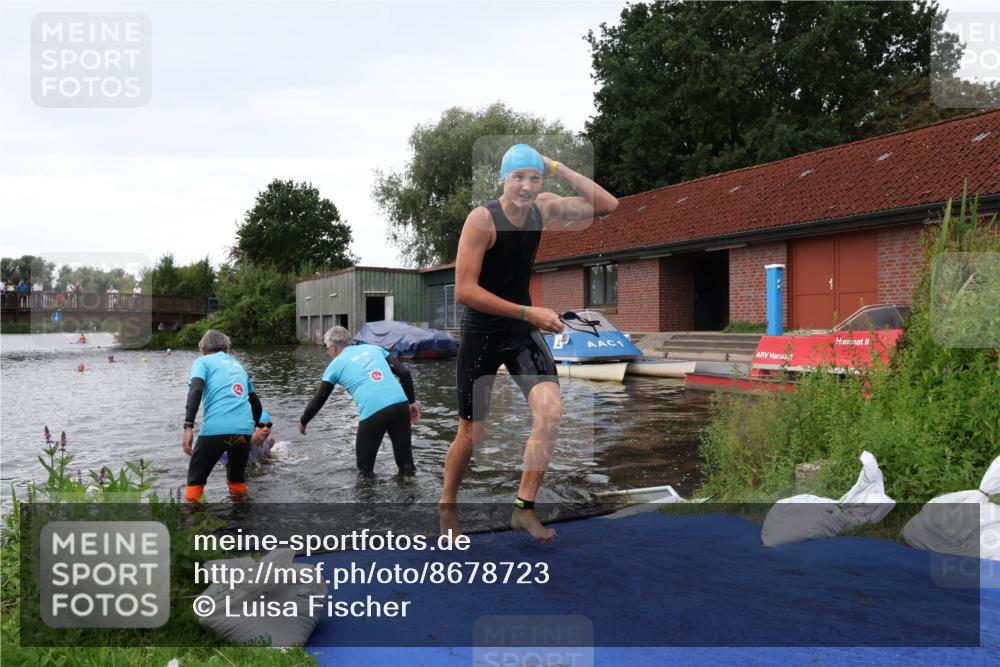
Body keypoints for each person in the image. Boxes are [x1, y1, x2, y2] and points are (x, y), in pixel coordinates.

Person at [441, 143, 618, 541]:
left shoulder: (545, 207)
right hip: (483, 331)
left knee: (551, 412)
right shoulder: (482, 220)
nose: (526, 186)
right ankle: (447, 504)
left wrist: (556, 165)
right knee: (471, 435)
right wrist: (529, 312)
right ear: (503, 178)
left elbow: (608, 205)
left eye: (534, 177)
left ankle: (524, 508)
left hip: (521, 331)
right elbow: (465, 291)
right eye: (518, 177)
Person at [299, 326, 419, 476]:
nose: (327, 352)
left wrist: (303, 421)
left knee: (364, 469)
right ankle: (410, 495)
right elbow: (404, 373)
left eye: (326, 347)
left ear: (332, 347)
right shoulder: (374, 349)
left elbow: (319, 399)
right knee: (406, 463)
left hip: (374, 411)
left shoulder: (335, 365)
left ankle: (368, 496)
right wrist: (411, 402)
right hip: (400, 405)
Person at [182, 329, 263, 502]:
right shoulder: (237, 365)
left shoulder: (202, 362)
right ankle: (241, 521)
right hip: (243, 430)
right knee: (236, 479)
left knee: (196, 480)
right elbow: (256, 404)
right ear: (226, 349)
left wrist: (188, 426)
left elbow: (195, 389)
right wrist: (252, 428)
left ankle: (193, 522)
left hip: (215, 429)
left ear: (203, 349)